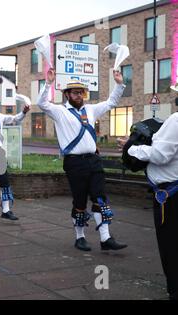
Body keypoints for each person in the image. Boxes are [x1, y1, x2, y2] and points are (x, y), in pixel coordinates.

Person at [36, 68, 128, 252]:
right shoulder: (60, 111)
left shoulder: (90, 109)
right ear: (67, 94)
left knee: (100, 198)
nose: (79, 95)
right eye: (76, 92)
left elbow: (111, 102)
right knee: (79, 201)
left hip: (94, 161)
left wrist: (119, 84)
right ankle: (80, 237)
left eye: (81, 92)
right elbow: (42, 103)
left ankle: (105, 238)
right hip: (74, 163)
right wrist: (48, 83)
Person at [117, 88, 178, 300]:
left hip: (170, 196)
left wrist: (131, 148)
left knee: (171, 244)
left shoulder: (177, 119)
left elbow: (161, 155)